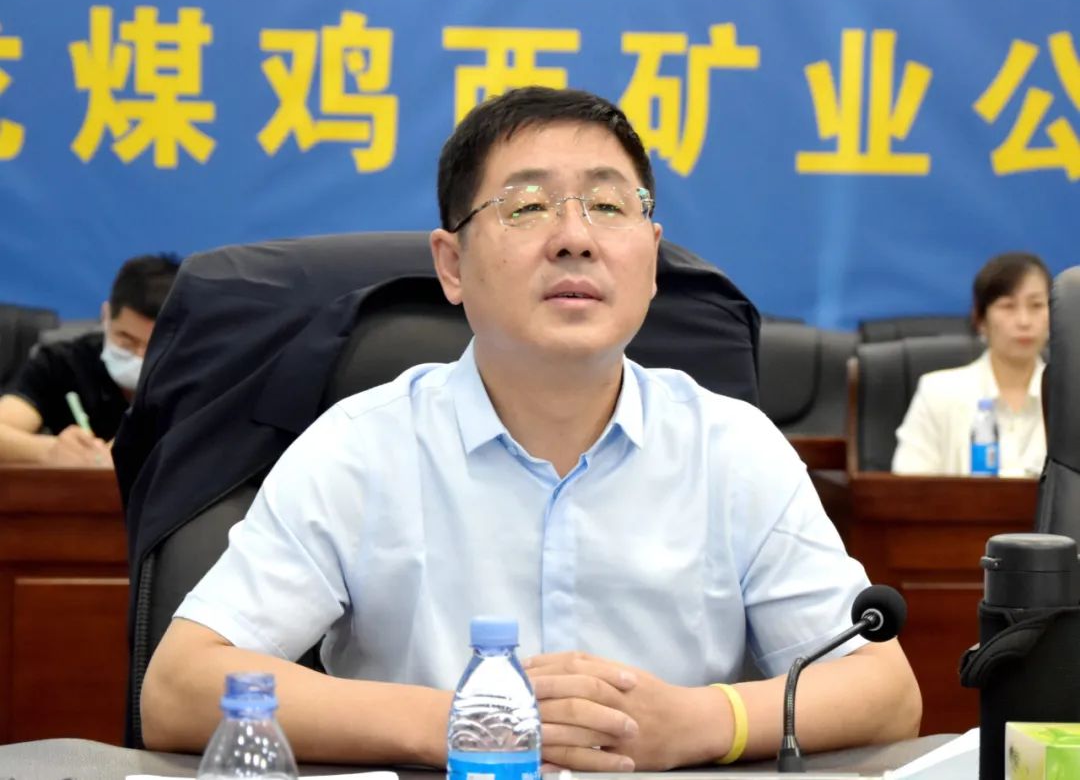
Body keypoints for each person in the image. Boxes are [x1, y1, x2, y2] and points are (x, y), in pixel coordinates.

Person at [141, 87, 920, 769]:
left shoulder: (733, 448)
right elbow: (179, 688)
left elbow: (884, 690)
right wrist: (463, 723)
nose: (575, 237)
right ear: (451, 265)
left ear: (650, 259)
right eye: (527, 206)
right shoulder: (363, 447)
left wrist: (701, 723)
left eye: (608, 206)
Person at [0, 254, 180, 467]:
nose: (139, 356)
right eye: (126, 340)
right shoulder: (63, 363)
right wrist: (50, 451)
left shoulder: (198, 375)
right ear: (106, 315)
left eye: (154, 346)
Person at [892, 252, 1051, 477]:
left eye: (1036, 305)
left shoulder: (1071, 398)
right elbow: (908, 487)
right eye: (1008, 306)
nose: (1024, 321)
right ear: (980, 319)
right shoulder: (937, 393)